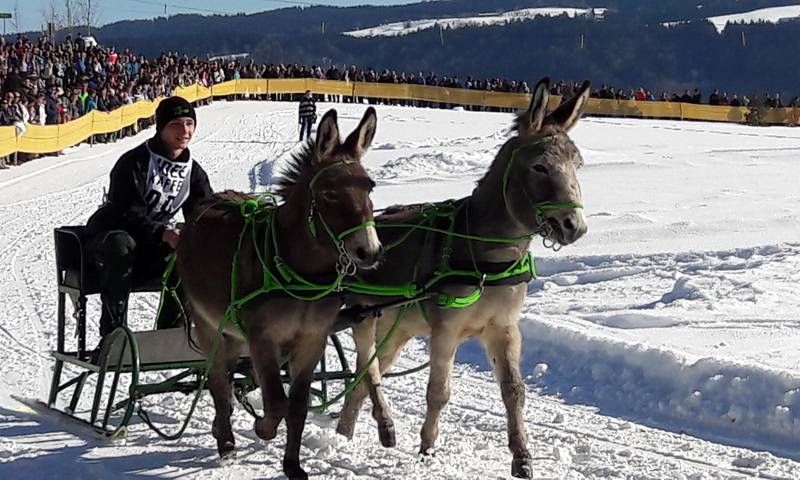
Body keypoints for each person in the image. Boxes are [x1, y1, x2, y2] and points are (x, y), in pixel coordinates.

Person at [85, 96, 213, 345]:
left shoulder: (193, 173)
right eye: (176, 124)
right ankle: (114, 334)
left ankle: (171, 334)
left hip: (149, 245)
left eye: (189, 123)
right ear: (161, 127)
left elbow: (204, 214)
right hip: (108, 239)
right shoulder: (134, 163)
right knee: (121, 243)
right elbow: (125, 212)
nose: (185, 131)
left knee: (192, 252)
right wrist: (163, 233)